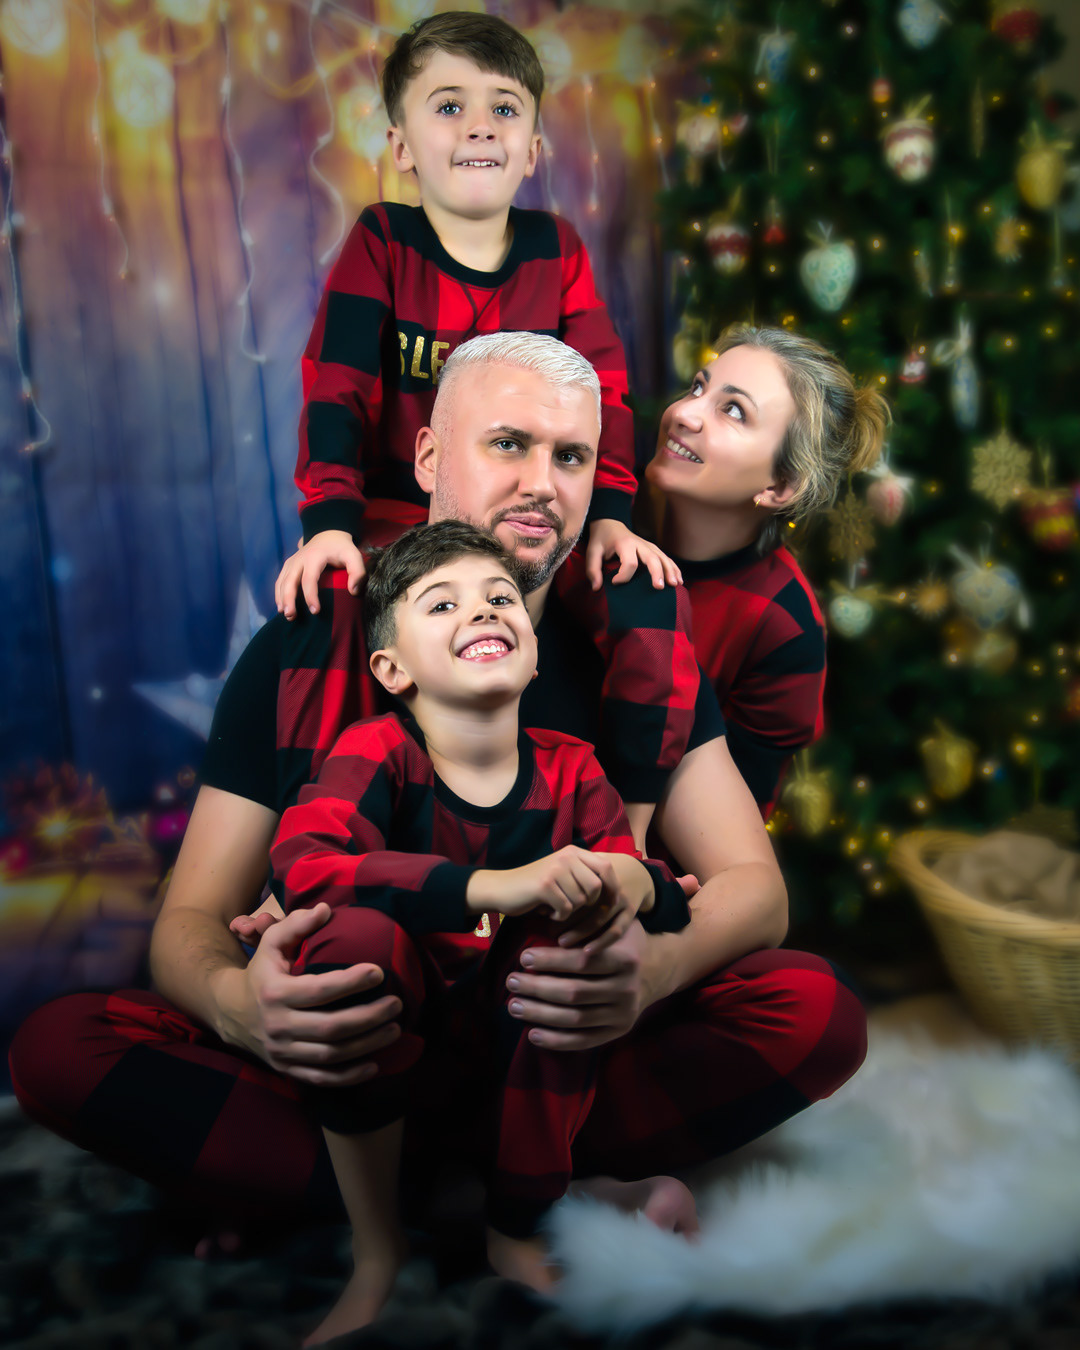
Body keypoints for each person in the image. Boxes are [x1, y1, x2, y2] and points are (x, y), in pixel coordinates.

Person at [8, 334, 865, 1293]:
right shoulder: (318, 635)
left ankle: (366, 1191)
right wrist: (239, 1009)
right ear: (426, 458)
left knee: (815, 1012)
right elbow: (189, 922)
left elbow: (755, 892)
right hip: (361, 1039)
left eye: (571, 456)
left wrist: (653, 972)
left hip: (546, 1047)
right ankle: (511, 1196)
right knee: (60, 1051)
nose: (541, 483)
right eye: (508, 444)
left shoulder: (636, 651)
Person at [273, 519, 694, 1342]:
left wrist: (635, 880)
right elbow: (307, 864)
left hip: (529, 1064)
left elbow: (645, 884)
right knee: (349, 942)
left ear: (533, 655)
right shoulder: (377, 751)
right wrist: (489, 886)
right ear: (391, 669)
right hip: (396, 1060)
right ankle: (377, 1251)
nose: (483, 611)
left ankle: (516, 1227)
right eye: (442, 604)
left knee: (576, 932)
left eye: (502, 598)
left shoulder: (572, 766)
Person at [276, 10, 677, 622]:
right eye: (449, 107)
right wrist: (329, 522)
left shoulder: (557, 249)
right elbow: (337, 390)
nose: (481, 128)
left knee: (638, 594)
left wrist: (609, 516)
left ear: (532, 152)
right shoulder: (384, 241)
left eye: (505, 109)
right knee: (336, 597)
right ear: (402, 147)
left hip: (532, 515)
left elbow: (605, 394)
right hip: (407, 511)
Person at [645, 324, 890, 818]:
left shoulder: (783, 625)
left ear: (779, 486)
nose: (684, 413)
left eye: (733, 410)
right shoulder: (599, 506)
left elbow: (726, 821)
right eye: (698, 387)